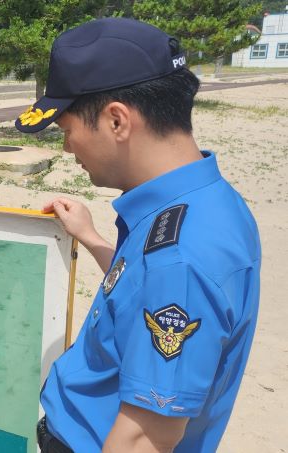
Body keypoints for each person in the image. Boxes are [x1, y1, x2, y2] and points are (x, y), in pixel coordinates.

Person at [16, 18, 262, 452]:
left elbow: (142, 439)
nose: (67, 147)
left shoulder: (180, 259)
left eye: (67, 131)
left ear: (117, 121)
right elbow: (141, 292)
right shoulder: (203, 201)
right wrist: (93, 239)